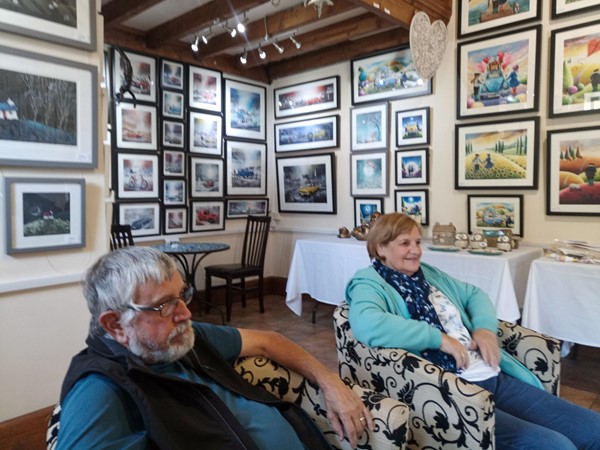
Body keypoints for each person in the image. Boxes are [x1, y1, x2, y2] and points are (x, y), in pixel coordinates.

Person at [57, 246, 373, 449]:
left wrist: (329, 379)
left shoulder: (181, 339)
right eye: (165, 305)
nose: (185, 313)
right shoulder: (100, 391)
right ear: (115, 325)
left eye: (182, 295)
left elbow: (268, 341)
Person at [345, 212, 600, 450]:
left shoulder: (427, 275)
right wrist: (438, 338)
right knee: (555, 445)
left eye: (418, 242)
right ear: (380, 248)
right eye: (404, 243)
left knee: (593, 429)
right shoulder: (369, 282)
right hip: (451, 391)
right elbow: (368, 323)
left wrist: (485, 329)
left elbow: (475, 295)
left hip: (489, 374)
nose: (415, 251)